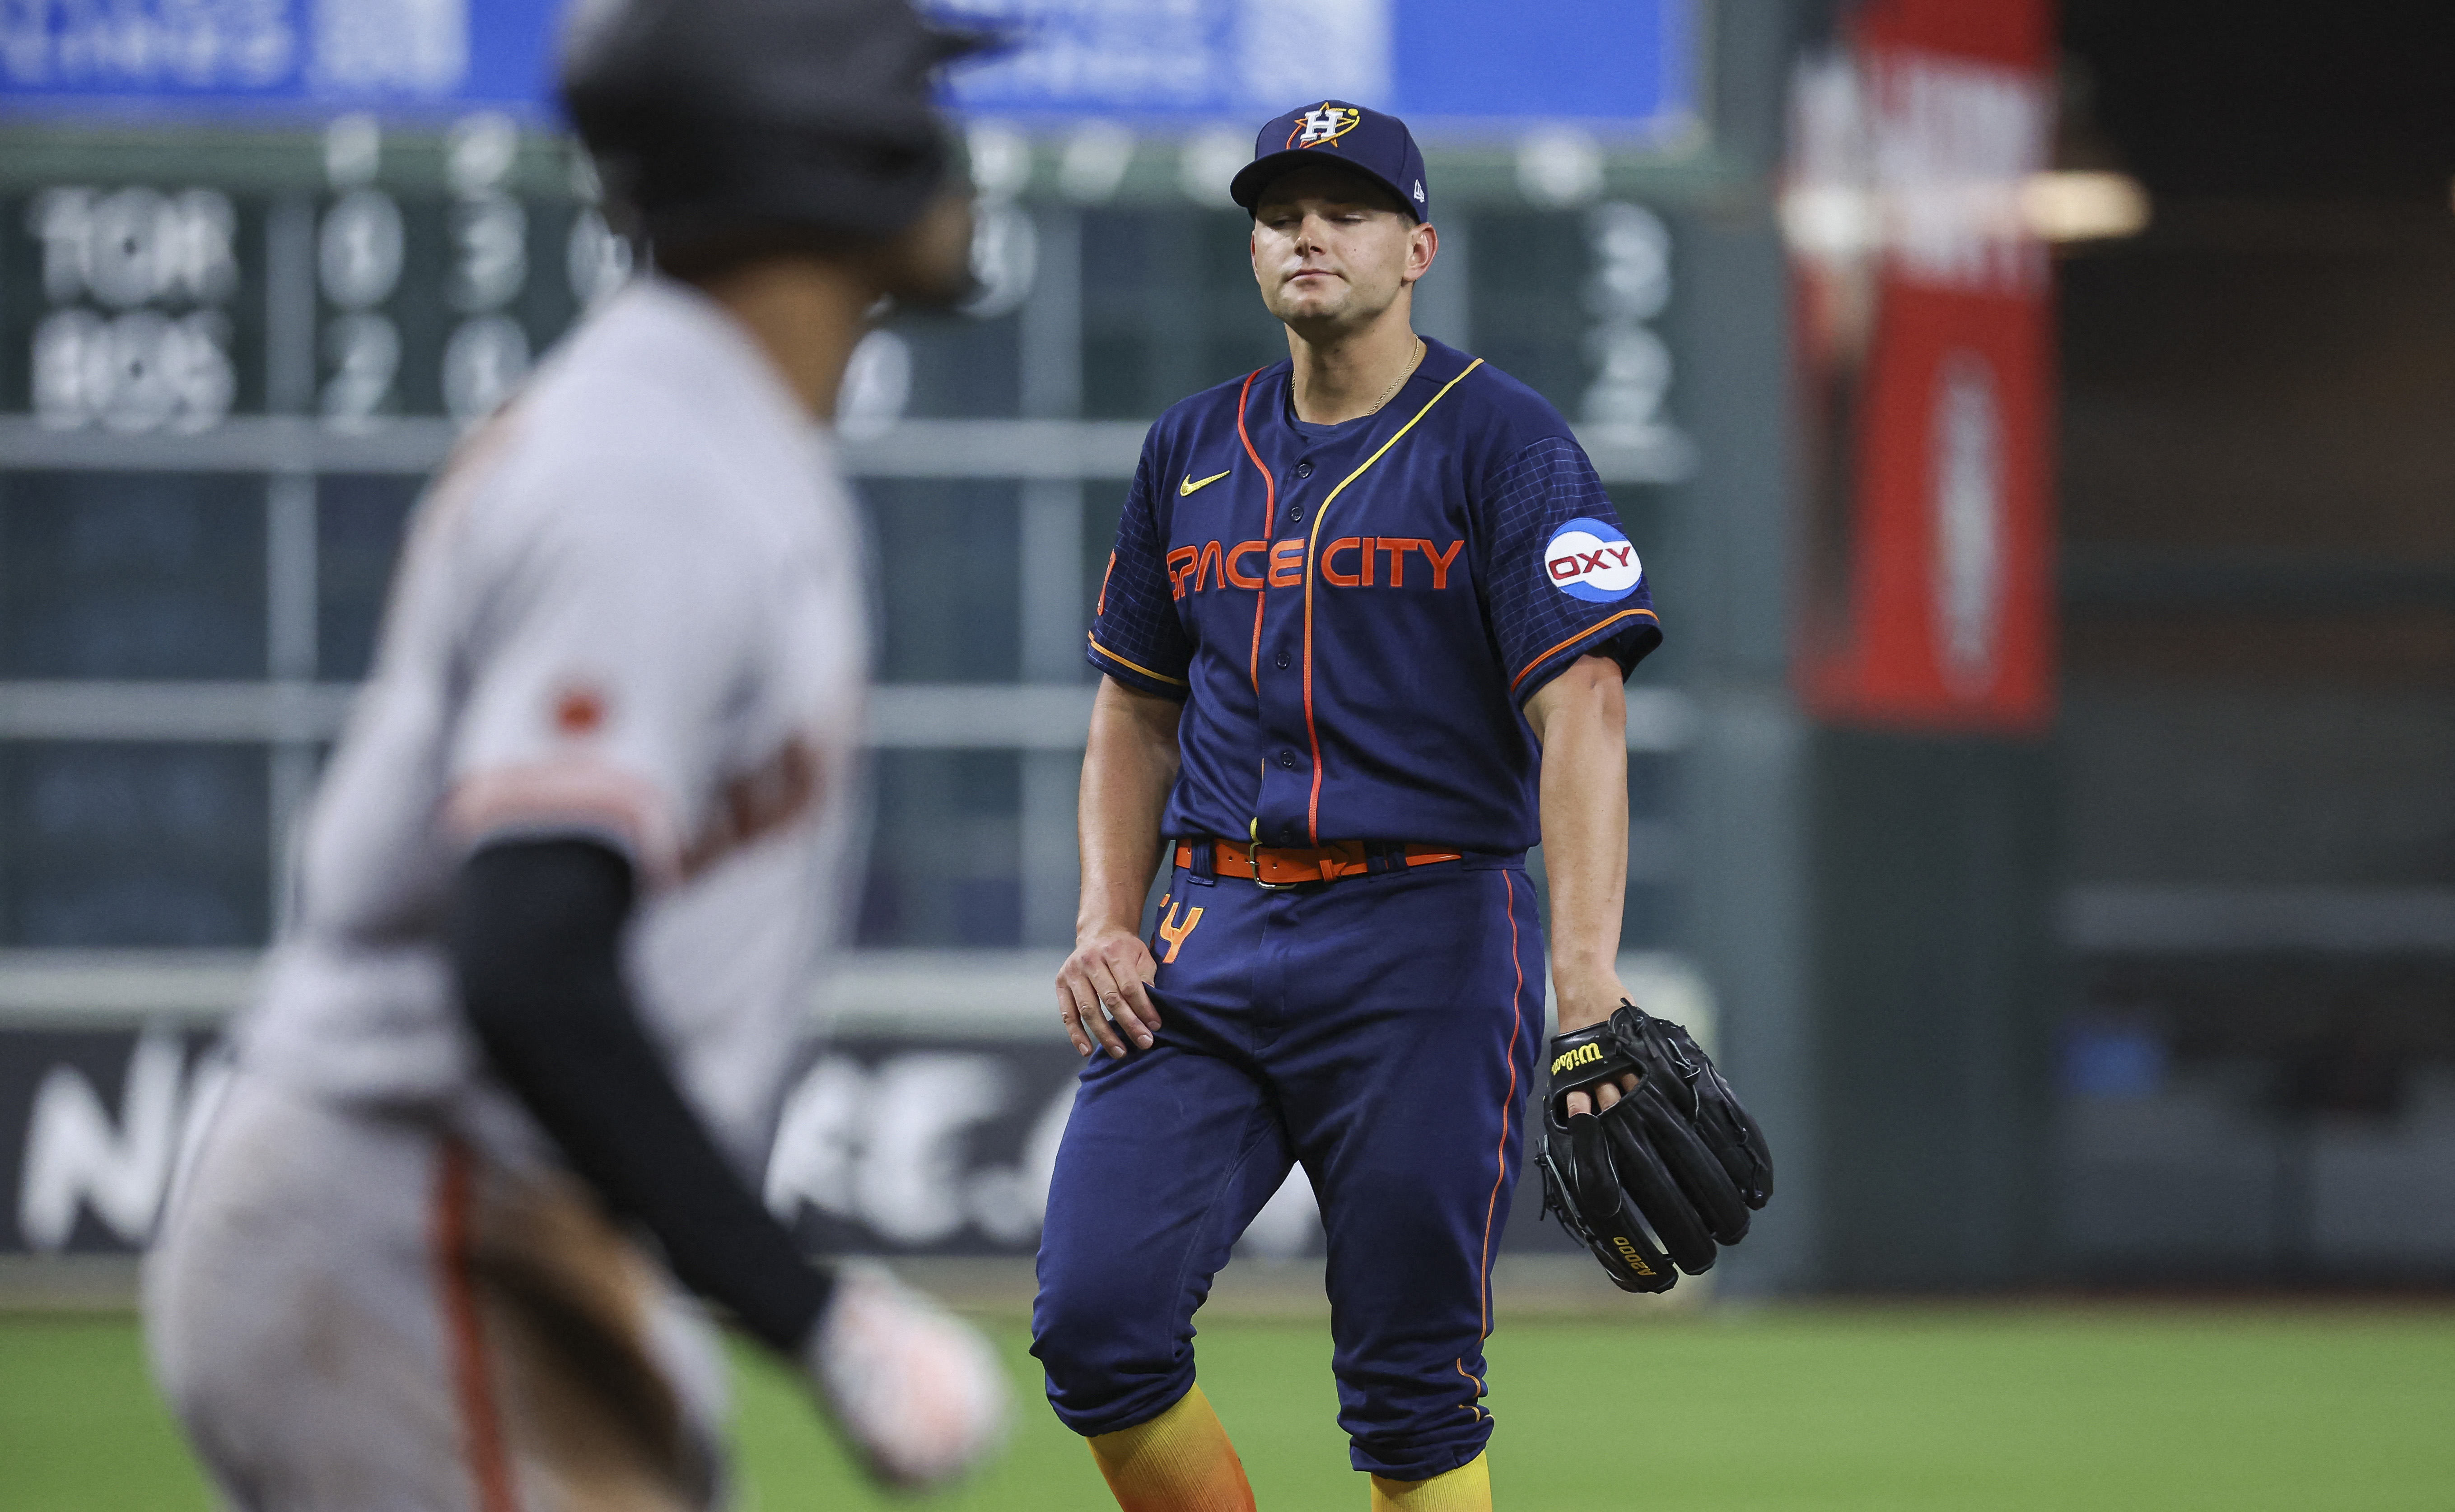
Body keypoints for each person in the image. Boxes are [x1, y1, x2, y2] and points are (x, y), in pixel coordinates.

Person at [143, 0, 1012, 1505]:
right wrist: (817, 1318)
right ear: (825, 146)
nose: (954, 152)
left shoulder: (707, 429)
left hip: (456, 1221)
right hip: (412, 1222)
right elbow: (528, 950)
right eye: (912, 102)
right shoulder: (656, 473)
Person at [1036, 100, 1665, 1511]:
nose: (1306, 233)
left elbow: (1584, 709)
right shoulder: (1189, 450)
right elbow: (1134, 705)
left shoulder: (1505, 442)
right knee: (1095, 1326)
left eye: (1347, 208)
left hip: (1426, 938)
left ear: (1417, 246)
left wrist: (1588, 992)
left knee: (1411, 1389)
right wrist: (1102, 918)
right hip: (1205, 933)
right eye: (1279, 213)